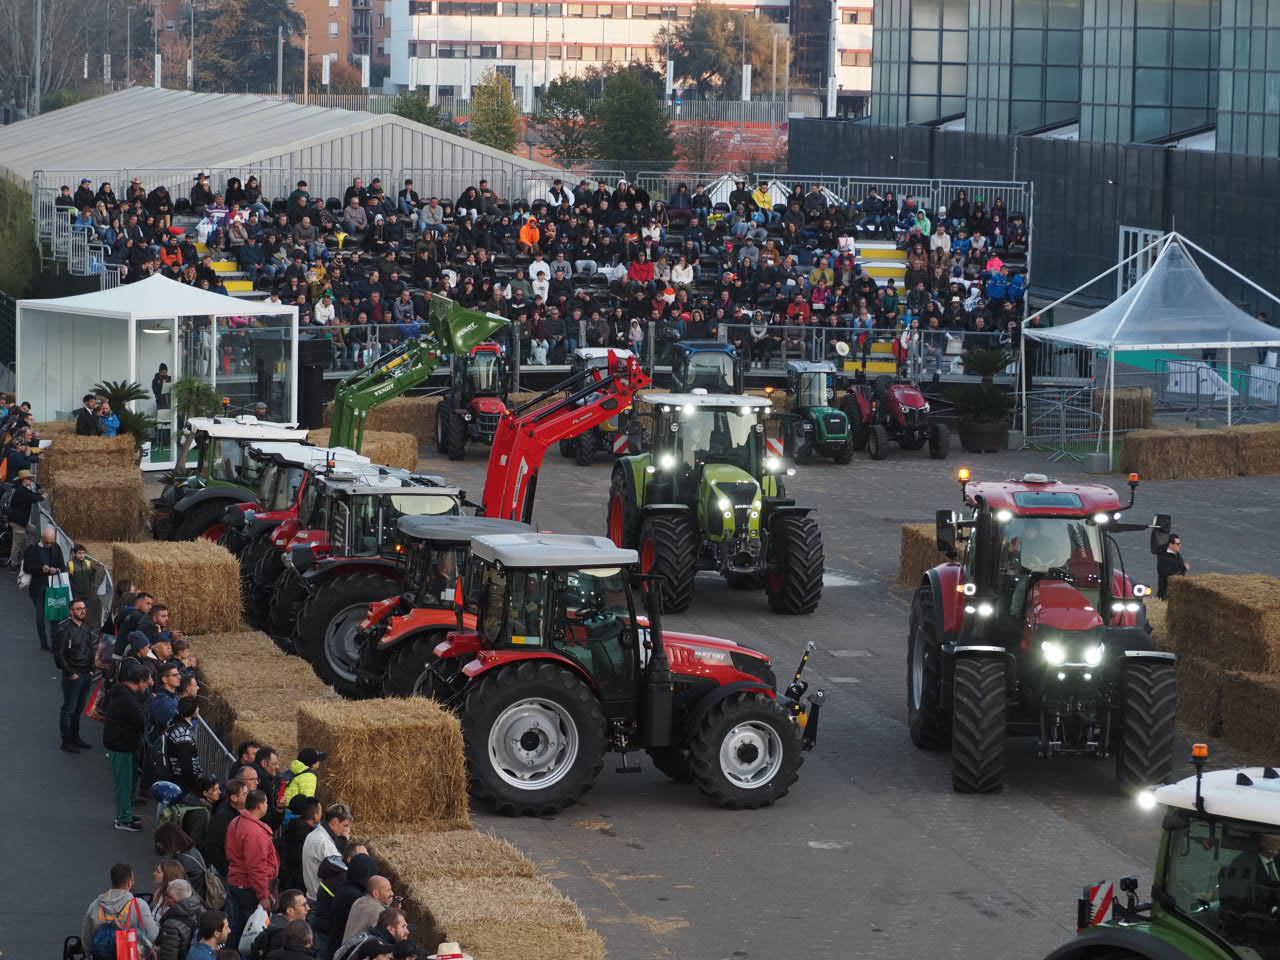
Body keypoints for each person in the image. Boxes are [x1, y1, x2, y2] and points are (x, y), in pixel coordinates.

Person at [225, 789, 280, 946]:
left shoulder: (236, 822)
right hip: (249, 888)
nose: (267, 806)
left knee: (235, 928)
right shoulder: (255, 831)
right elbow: (256, 867)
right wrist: (263, 894)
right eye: (267, 803)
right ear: (260, 805)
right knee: (248, 933)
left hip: (236, 881)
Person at [104, 662, 150, 831]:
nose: (149, 684)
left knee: (129, 781)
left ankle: (127, 813)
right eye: (147, 681)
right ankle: (123, 819)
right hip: (121, 744)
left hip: (124, 743)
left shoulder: (125, 694)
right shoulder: (127, 698)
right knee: (123, 784)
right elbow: (141, 719)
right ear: (139, 681)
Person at [81, 862, 160, 954]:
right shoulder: (139, 905)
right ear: (130, 883)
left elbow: (86, 939)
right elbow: (151, 935)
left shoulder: (96, 904)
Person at [53, 597, 96, 752]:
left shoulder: (86, 628)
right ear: (71, 612)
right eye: (78, 608)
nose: (82, 611)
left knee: (78, 709)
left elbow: (91, 649)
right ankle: (66, 741)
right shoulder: (64, 629)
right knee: (69, 709)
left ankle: (75, 737)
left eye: (84, 608)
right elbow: (59, 655)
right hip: (74, 675)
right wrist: (71, 673)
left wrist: (92, 669)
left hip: (86, 674)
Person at [23, 525, 67, 651]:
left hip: (53, 586)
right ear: (42, 538)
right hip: (38, 587)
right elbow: (27, 568)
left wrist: (56, 570)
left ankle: (54, 643)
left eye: (51, 542)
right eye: (47, 542)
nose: (49, 544)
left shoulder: (56, 548)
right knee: (40, 616)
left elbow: (62, 566)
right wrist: (41, 569)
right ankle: (44, 642)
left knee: (54, 616)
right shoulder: (32, 550)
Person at [302, 803, 353, 900]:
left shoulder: (320, 834)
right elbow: (341, 867)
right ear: (335, 821)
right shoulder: (322, 841)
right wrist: (344, 840)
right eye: (345, 825)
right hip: (319, 899)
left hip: (316, 894)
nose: (347, 830)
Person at [205, 778, 250, 873]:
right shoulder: (222, 817)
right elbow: (214, 846)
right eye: (245, 794)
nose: (248, 796)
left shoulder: (243, 811)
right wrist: (228, 870)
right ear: (234, 798)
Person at [251, 889, 311, 959]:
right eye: (303, 905)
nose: (308, 908)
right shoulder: (283, 934)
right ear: (290, 911)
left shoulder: (275, 923)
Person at [161, 695, 204, 792]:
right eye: (197, 707)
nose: (198, 709)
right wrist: (194, 786)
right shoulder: (182, 733)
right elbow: (186, 765)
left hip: (177, 777)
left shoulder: (173, 723)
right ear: (192, 711)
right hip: (182, 781)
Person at [280, 797, 323, 892]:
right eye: (320, 811)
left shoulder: (291, 827)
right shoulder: (311, 837)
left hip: (287, 881)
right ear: (315, 815)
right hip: (302, 885)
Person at [156, 878, 203, 960]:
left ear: (174, 900)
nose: (165, 897)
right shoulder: (198, 910)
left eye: (167, 895)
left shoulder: (171, 925)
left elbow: (168, 956)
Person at [341, 875, 395, 944]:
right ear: (376, 894)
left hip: (344, 950)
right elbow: (381, 942)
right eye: (388, 890)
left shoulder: (360, 900)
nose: (392, 893)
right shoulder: (379, 911)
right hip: (357, 953)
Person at [6, 468, 42, 570]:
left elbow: (31, 495)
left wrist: (39, 494)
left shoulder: (21, 487)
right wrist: (41, 497)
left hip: (21, 520)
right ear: (24, 480)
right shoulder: (21, 490)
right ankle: (14, 564)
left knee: (34, 530)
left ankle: (30, 553)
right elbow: (31, 497)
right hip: (18, 521)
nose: (31, 481)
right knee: (17, 543)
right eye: (29, 479)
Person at [1156, 532, 1189, 600]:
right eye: (1178, 544)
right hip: (1166, 592)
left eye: (1180, 543)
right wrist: (1183, 568)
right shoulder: (1164, 557)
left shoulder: (1176, 554)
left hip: (1176, 588)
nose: (1180, 545)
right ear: (1171, 544)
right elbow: (1166, 575)